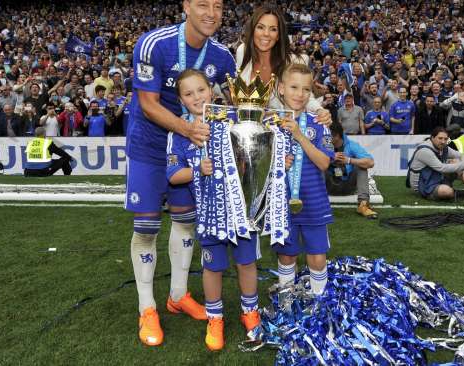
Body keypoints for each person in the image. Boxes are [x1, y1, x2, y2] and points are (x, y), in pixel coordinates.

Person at [125, 0, 235, 347]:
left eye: (218, 6)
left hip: (190, 148)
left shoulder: (223, 57)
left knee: (186, 221)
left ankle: (178, 295)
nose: (211, 13)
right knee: (146, 225)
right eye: (202, 4)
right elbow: (148, 103)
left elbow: (233, 106)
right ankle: (147, 308)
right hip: (149, 144)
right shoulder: (154, 44)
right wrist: (188, 132)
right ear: (186, 5)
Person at [166, 69, 259, 351]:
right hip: (208, 215)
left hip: (242, 211)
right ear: (181, 100)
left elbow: (254, 149)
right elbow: (172, 174)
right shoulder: (179, 132)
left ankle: (250, 313)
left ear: (211, 89)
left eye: (201, 90)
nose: (196, 97)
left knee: (246, 262)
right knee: (212, 267)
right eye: (188, 93)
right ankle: (215, 318)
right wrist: (197, 169)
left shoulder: (233, 119)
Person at [276, 64, 335, 300]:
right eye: (293, 87)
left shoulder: (319, 122)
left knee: (317, 257)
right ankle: (287, 301)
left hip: (314, 200)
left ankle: (319, 303)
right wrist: (278, 164)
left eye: (306, 89)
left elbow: (324, 163)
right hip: (280, 201)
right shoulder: (269, 122)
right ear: (281, 89)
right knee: (286, 255)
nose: (299, 94)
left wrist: (300, 136)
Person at [235, 5, 331, 125]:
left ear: (279, 35)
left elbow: (305, 95)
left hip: (283, 130)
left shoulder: (295, 61)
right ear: (253, 30)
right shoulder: (242, 52)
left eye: (273, 29)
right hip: (247, 128)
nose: (266, 34)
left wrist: (320, 110)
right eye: (260, 27)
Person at [407, 127, 464, 202]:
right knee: (447, 191)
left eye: (445, 139)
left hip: (435, 177)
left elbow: (462, 156)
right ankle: (462, 192)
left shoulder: (443, 147)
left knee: (455, 161)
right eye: (440, 138)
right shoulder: (425, 150)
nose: (443, 141)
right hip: (423, 185)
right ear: (432, 138)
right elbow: (442, 168)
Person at [326, 123, 378, 219]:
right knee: (317, 165)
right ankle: (314, 204)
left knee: (361, 166)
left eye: (327, 135)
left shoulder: (352, 146)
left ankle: (363, 205)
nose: (324, 138)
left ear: (337, 136)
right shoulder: (322, 146)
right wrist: (329, 158)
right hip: (328, 187)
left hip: (348, 187)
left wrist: (349, 160)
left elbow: (370, 162)